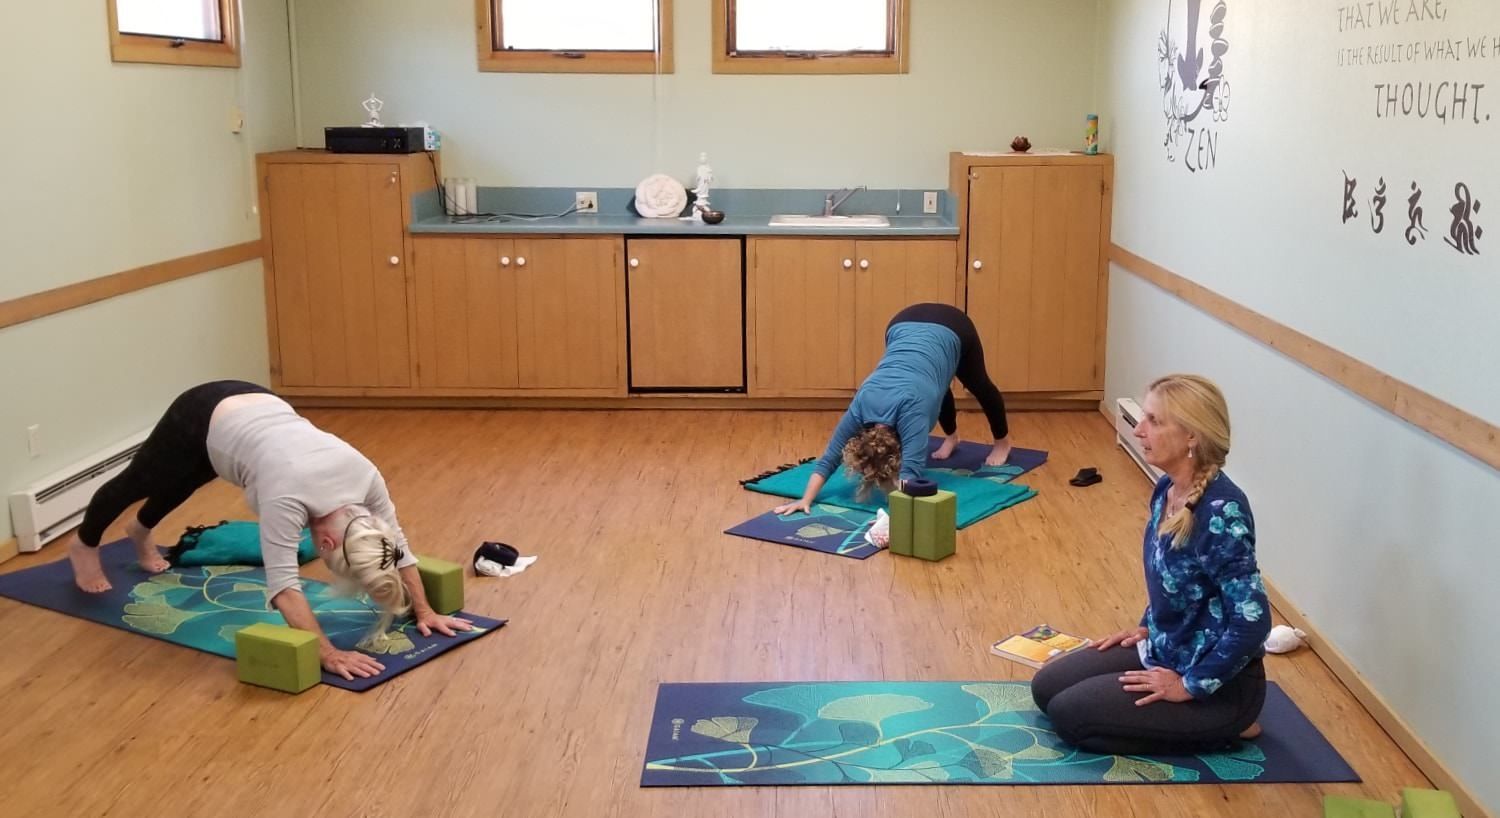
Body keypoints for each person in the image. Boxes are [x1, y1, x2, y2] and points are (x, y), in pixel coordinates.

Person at [64, 380, 472, 680]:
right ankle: (83, 544)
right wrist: (328, 653)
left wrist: (425, 610)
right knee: (139, 481)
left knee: (185, 480)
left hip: (256, 410)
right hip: (202, 410)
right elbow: (283, 589)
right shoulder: (286, 497)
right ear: (327, 542)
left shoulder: (365, 477)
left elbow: (397, 545)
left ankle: (139, 530)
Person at [1031, 374, 1271, 754]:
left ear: (1191, 436)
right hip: (1166, 649)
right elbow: (1173, 580)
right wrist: (1146, 627)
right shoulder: (1166, 490)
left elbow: (1253, 621)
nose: (1139, 429)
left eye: (1154, 421)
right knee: (1046, 688)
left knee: (1070, 717)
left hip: (1217, 685)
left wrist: (1188, 686)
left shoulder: (1222, 513)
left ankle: (1228, 725)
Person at [773, 303, 1012, 515]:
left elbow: (911, 472)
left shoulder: (912, 414)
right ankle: (952, 438)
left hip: (953, 326)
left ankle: (1003, 442)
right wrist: (805, 500)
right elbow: (829, 459)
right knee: (933, 379)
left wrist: (892, 517)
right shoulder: (861, 405)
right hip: (901, 324)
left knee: (977, 384)